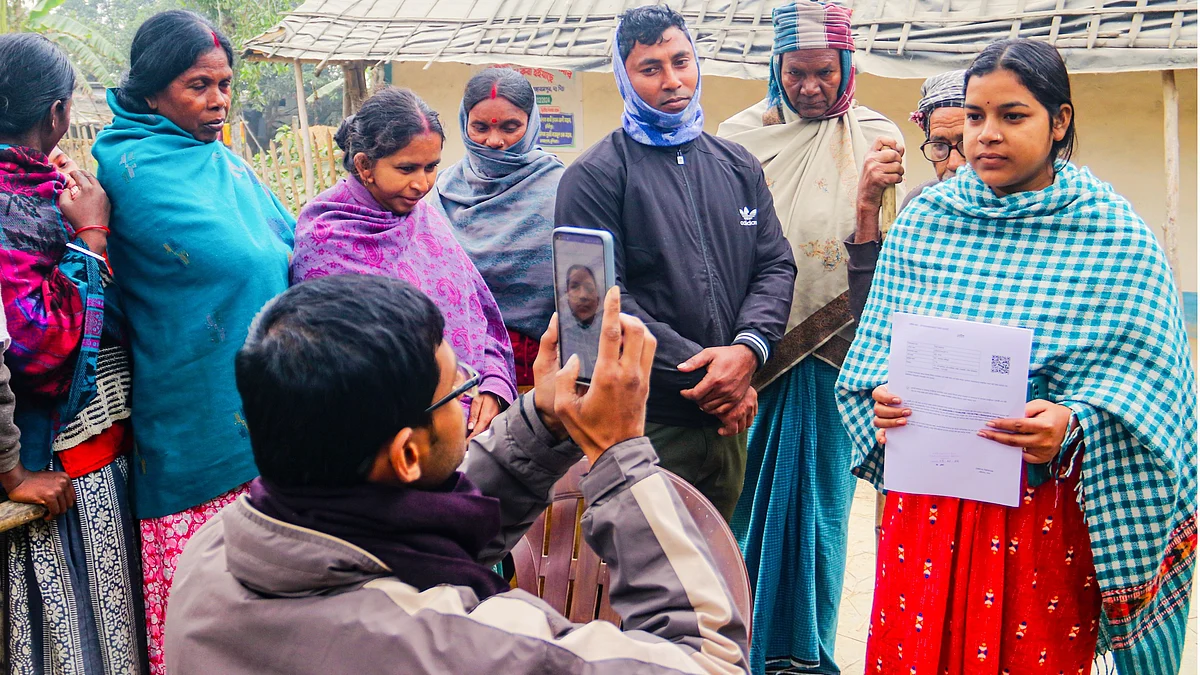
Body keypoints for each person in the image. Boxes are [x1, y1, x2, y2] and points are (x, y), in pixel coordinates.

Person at [164, 274, 749, 674]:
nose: (470, 403)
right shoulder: (457, 647)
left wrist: (544, 425)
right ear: (407, 455)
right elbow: (708, 663)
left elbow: (408, 531)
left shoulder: (214, 553)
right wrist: (620, 455)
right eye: (457, 389)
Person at [837, 38, 1196, 674]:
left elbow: (1159, 396)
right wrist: (884, 404)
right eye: (975, 117)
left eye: (1013, 115)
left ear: (1058, 122)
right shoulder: (926, 225)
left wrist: (1074, 423)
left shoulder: (1116, 239)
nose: (987, 135)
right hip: (928, 511)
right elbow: (870, 366)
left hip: (1044, 517)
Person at [91, 11, 295, 673]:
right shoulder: (127, 170)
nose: (219, 100)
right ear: (151, 91)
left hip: (275, 414)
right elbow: (227, 260)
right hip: (197, 426)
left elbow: (285, 244)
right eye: (198, 86)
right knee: (216, 633)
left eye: (225, 83)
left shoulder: (221, 160)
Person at [714, 2, 902, 672]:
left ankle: (804, 652)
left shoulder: (877, 140)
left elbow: (891, 260)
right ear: (776, 68)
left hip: (835, 358)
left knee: (821, 511)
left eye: (825, 72)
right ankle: (736, 646)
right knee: (740, 505)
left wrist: (869, 206)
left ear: (847, 67)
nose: (811, 86)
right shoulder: (737, 140)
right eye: (797, 73)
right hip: (750, 354)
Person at [555, 5, 796, 521]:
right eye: (650, 69)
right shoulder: (593, 177)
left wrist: (746, 352)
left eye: (681, 61)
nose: (673, 81)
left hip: (727, 424)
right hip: (643, 421)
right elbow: (595, 304)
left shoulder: (737, 165)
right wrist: (713, 378)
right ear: (624, 76)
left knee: (718, 580)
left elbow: (774, 265)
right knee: (636, 582)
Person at [0, 33, 145, 674]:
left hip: (88, 451)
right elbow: (38, 346)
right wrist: (90, 236)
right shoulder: (17, 202)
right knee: (71, 626)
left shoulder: (43, 184)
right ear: (56, 111)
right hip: (50, 464)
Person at [292, 87, 516, 438]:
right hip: (393, 440)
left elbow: (475, 311)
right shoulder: (328, 236)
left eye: (431, 167)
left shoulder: (425, 220)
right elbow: (350, 363)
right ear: (365, 165)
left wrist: (493, 387)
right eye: (407, 168)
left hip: (473, 426)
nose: (422, 183)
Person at [434, 68, 564, 389]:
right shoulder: (439, 190)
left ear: (531, 123)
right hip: (458, 368)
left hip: (541, 370)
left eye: (511, 127)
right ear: (465, 122)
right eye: (479, 127)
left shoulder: (564, 189)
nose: (495, 141)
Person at [846, 69, 966, 322]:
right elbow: (872, 315)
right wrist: (867, 206)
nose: (954, 163)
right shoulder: (921, 205)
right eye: (940, 146)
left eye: (967, 144)